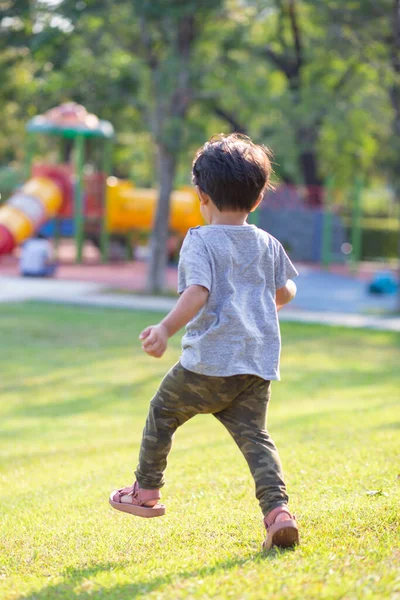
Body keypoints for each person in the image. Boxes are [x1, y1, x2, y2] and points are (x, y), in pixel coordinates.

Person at [109, 134, 299, 551]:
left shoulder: (200, 240)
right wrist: (256, 308)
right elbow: (285, 292)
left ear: (202, 195)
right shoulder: (267, 243)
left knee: (163, 411)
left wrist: (163, 330)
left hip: (207, 366)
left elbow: (197, 292)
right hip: (255, 365)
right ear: (258, 198)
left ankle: (146, 491)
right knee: (256, 439)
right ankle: (278, 512)